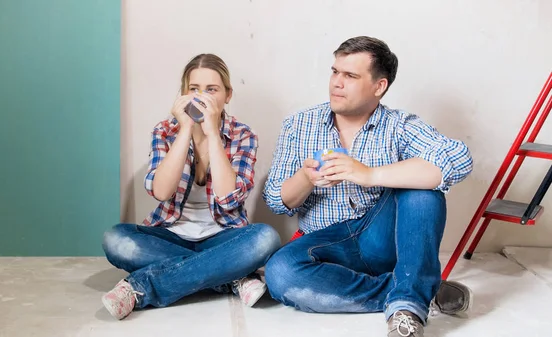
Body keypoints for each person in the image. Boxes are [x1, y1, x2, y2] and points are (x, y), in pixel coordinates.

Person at [262, 36, 474, 337]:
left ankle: (408, 306)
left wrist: (369, 174)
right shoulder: (299, 124)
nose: (337, 82)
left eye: (350, 76)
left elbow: (458, 158)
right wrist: (305, 179)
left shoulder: (398, 125)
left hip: (380, 237)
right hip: (328, 244)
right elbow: (276, 200)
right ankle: (413, 292)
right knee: (280, 272)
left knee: (423, 188)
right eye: (335, 72)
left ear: (379, 86)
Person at [101, 53, 281, 320]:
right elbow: (161, 192)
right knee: (116, 240)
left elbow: (228, 199)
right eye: (193, 89)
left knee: (266, 239)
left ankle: (141, 287)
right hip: (170, 234)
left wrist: (212, 134)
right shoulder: (165, 131)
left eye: (211, 89)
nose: (201, 97)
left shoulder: (243, 135)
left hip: (224, 236)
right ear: (183, 94)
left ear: (227, 95)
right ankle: (229, 276)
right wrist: (185, 129)